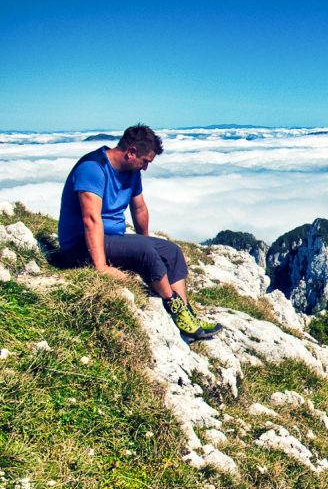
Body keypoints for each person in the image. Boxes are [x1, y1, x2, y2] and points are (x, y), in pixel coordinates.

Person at [57, 124, 222, 340]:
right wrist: (101, 266)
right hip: (80, 244)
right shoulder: (92, 168)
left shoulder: (131, 171)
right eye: (145, 161)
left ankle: (187, 314)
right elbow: (91, 219)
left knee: (172, 251)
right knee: (145, 251)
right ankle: (174, 308)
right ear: (131, 152)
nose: (145, 167)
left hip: (111, 238)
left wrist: (146, 242)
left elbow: (139, 208)